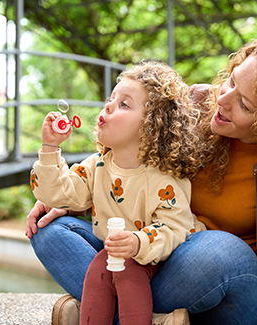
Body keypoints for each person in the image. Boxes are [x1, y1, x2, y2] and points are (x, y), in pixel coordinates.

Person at [26, 34, 257, 325]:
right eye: (232, 80)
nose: (223, 99)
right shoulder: (194, 105)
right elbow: (124, 163)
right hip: (146, 255)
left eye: (244, 105)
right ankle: (152, 317)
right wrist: (66, 198)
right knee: (48, 229)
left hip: (225, 282)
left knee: (216, 249)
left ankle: (100, 310)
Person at [29, 60, 204, 325]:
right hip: (114, 252)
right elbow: (60, 193)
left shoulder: (163, 177)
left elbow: (175, 227)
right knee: (101, 267)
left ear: (151, 126)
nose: (108, 106)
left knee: (128, 270)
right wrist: (50, 148)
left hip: (162, 258)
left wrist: (138, 242)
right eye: (111, 99)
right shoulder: (98, 163)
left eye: (124, 104)